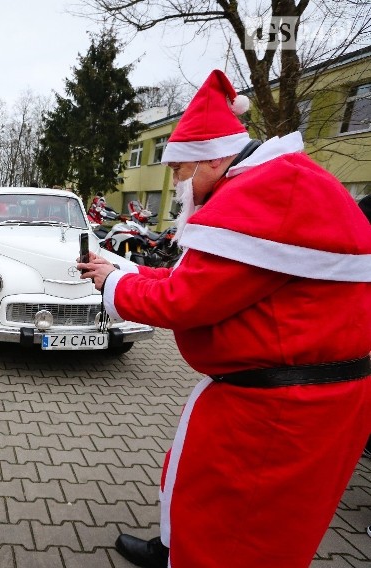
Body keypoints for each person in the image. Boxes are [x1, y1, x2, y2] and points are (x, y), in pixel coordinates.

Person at [79, 69, 371, 568]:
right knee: (200, 492)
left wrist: (112, 282)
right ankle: (173, 548)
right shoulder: (278, 184)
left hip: (279, 412)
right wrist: (126, 274)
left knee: (238, 532)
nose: (177, 183)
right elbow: (204, 285)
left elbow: (181, 301)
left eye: (181, 169)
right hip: (285, 395)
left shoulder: (261, 197)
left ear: (215, 155)